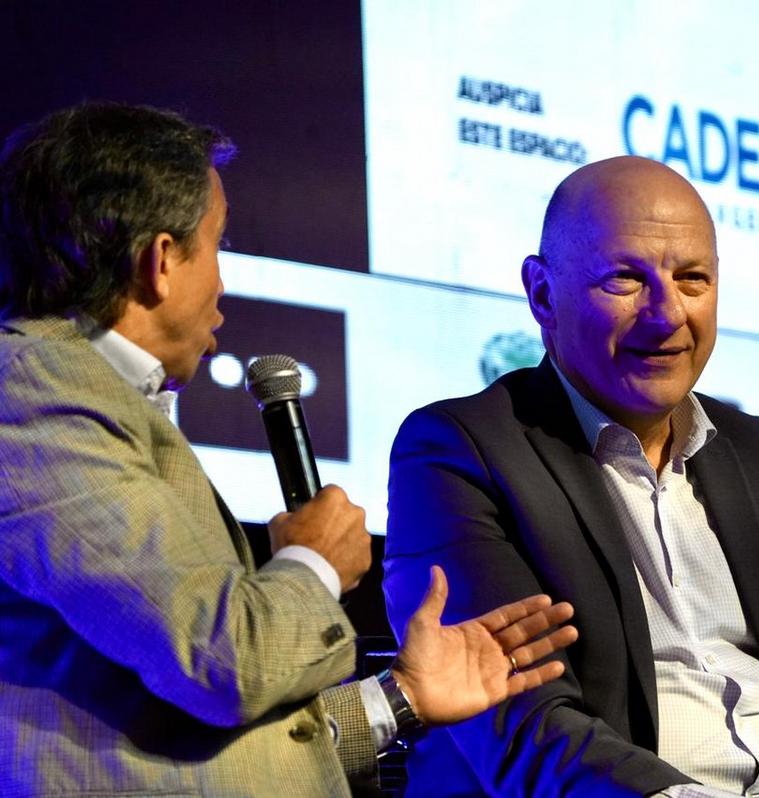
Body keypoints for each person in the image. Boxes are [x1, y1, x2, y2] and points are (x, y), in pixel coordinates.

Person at [0, 101, 576, 797]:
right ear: (160, 261)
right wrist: (313, 561)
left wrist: (403, 696)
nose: (222, 284)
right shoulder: (33, 394)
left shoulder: (92, 400)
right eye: (217, 246)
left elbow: (198, 730)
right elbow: (226, 663)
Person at [384, 155, 759, 796]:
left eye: (692, 279)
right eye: (625, 280)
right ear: (542, 295)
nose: (667, 314)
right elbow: (524, 721)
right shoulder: (461, 451)